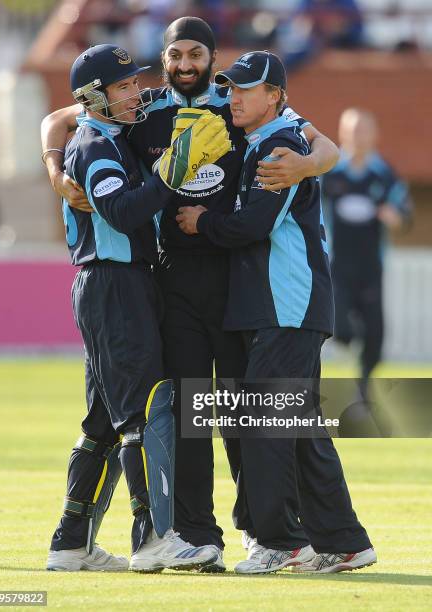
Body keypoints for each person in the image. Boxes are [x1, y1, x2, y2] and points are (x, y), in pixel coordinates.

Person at [41, 17, 339, 571]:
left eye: (195, 53)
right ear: (165, 56)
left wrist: (312, 162)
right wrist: (54, 167)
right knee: (184, 411)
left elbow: (323, 142)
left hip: (234, 278)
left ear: (212, 57)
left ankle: (260, 532)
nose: (183, 64)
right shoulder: (141, 105)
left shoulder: (237, 102)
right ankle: (196, 536)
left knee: (238, 411)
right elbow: (61, 117)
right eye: (174, 53)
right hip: (168, 279)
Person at [177, 51, 376, 574]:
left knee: (264, 422)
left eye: (245, 90)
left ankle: (282, 541)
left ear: (275, 96)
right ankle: (344, 541)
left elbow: (252, 227)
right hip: (280, 307)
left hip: (287, 306)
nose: (233, 97)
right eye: (231, 88)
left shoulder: (281, 144)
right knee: (300, 428)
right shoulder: (273, 134)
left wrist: (201, 221)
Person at [45, 43, 230, 572]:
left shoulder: (114, 135)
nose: (134, 95)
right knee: (142, 411)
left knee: (104, 419)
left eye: (133, 84)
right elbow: (124, 214)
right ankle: (151, 539)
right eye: (123, 88)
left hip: (121, 285)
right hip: (113, 284)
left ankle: (70, 543)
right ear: (93, 97)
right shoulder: (94, 146)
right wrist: (172, 171)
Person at [322, 108, 411, 401]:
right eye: (352, 130)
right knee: (342, 328)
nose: (358, 136)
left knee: (375, 335)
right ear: (342, 133)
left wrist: (395, 217)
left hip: (372, 265)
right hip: (336, 264)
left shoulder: (384, 175)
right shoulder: (329, 172)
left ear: (374, 135)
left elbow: (405, 214)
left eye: (363, 130)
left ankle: (363, 388)